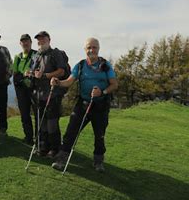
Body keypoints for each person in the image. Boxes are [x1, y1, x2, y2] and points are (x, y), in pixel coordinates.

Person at [50, 37, 118, 172]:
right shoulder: (80, 65)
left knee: (100, 135)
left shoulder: (106, 66)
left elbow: (114, 84)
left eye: (94, 47)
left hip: (101, 105)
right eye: (89, 47)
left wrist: (102, 91)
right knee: (71, 131)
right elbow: (69, 81)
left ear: (98, 49)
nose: (91, 50)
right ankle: (61, 160)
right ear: (85, 49)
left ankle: (98, 162)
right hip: (83, 104)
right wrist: (58, 82)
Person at [26, 31, 66, 157]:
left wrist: (45, 76)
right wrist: (30, 73)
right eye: (39, 39)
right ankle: (43, 147)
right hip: (38, 94)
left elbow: (61, 71)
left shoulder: (56, 53)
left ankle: (55, 149)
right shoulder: (36, 55)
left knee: (52, 122)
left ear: (49, 40)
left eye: (43, 39)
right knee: (41, 122)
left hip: (53, 94)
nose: (41, 41)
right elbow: (35, 71)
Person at [13, 34, 38, 145]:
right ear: (20, 43)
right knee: (24, 114)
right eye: (23, 41)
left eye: (27, 41)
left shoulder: (37, 54)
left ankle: (39, 139)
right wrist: (22, 76)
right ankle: (28, 138)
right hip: (21, 90)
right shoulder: (17, 57)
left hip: (34, 89)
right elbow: (14, 73)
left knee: (38, 114)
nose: (25, 43)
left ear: (31, 42)